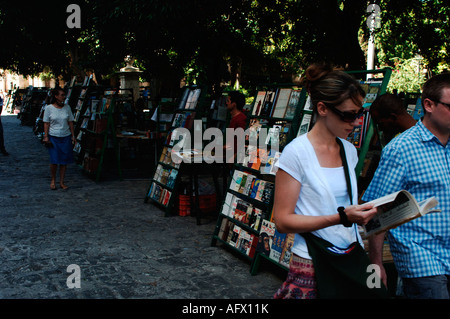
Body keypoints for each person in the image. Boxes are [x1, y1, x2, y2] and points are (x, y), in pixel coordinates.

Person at [273, 63, 378, 299]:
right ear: (322, 108)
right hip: (313, 259)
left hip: (352, 254)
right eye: (348, 114)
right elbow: (282, 220)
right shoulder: (296, 153)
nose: (355, 122)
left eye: (359, 114)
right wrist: (341, 217)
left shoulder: (349, 151)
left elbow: (341, 202)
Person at [362, 73, 450, 299]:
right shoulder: (401, 149)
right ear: (429, 105)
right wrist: (376, 264)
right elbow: (377, 208)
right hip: (422, 258)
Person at [42, 87, 76, 190]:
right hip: (53, 136)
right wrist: (46, 136)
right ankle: (53, 180)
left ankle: (62, 181)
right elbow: (46, 123)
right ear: (56, 96)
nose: (63, 97)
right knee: (54, 159)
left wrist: (73, 136)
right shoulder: (49, 108)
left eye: (64, 95)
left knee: (64, 160)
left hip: (65, 136)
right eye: (61, 95)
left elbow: (70, 122)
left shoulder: (67, 108)